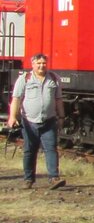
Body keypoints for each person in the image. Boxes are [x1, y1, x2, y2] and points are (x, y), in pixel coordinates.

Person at [6, 53, 65, 189]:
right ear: (32, 64)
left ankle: (54, 178)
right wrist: (12, 117)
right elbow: (16, 99)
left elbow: (58, 100)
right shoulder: (24, 79)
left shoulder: (54, 79)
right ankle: (28, 179)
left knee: (51, 149)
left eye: (43, 63)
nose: (41, 66)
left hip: (48, 121)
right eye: (38, 63)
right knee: (29, 151)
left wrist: (61, 117)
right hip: (29, 122)